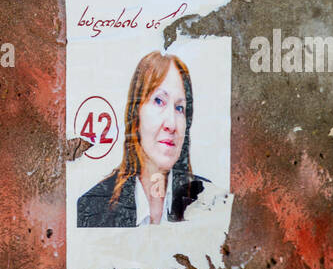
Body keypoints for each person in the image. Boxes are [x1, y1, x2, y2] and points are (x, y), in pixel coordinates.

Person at [76, 50, 224, 227]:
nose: (171, 124)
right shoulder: (93, 208)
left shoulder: (210, 203)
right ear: (135, 115)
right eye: (159, 101)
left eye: (179, 108)